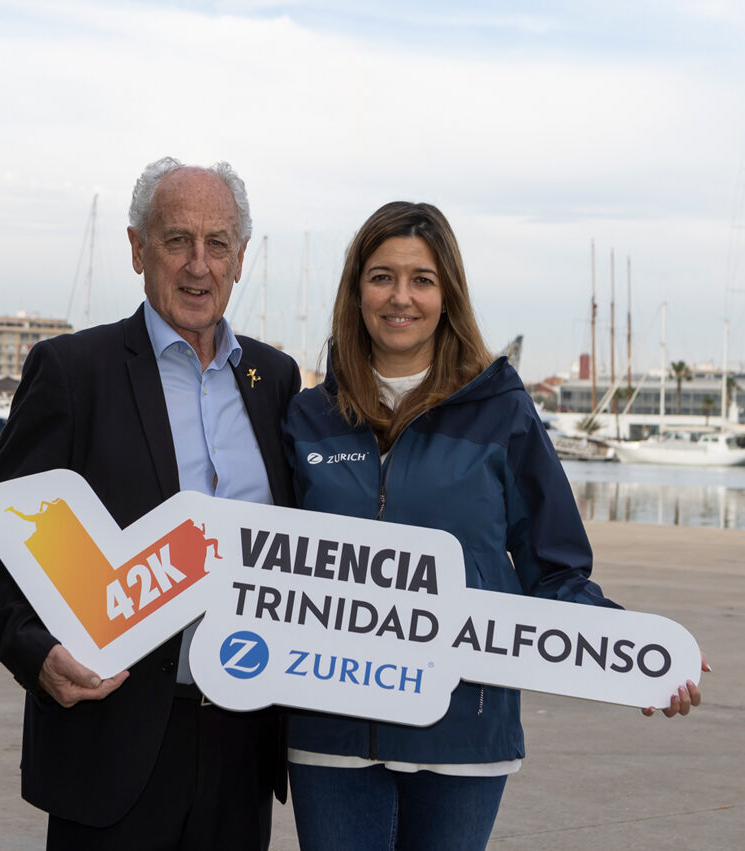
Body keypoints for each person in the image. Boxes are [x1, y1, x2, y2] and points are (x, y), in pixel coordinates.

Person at [280, 201, 707, 851]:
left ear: (448, 294)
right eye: (382, 276)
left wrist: (633, 648)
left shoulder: (500, 408)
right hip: (332, 730)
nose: (402, 297)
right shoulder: (307, 417)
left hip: (462, 731)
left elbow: (555, 564)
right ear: (355, 289)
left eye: (422, 278)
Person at [0, 156, 301, 849]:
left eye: (218, 244)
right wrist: (37, 651)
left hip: (243, 736)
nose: (198, 265)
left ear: (241, 259)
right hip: (113, 736)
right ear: (138, 248)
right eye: (177, 240)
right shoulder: (74, 372)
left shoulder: (275, 379)